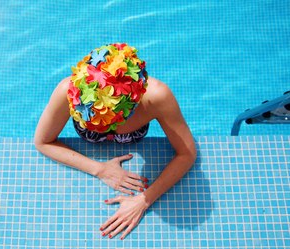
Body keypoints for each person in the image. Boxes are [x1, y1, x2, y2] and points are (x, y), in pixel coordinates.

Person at [34, 43, 197, 240]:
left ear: (134, 105)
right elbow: (42, 142)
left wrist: (143, 200)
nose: (99, 128)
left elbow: (187, 153)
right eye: (89, 120)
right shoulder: (67, 91)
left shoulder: (157, 97)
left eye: (107, 122)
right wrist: (99, 169)